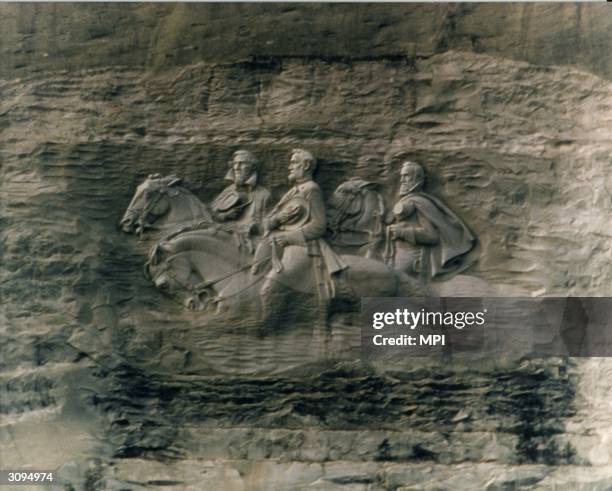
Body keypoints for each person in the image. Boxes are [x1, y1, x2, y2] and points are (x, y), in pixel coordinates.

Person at [252, 149, 346, 319]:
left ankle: (265, 329)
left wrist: (289, 237)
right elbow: (270, 219)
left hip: (303, 247)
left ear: (306, 165)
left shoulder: (312, 190)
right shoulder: (293, 192)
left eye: (294, 162)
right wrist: (277, 219)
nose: (289, 167)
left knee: (268, 291)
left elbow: (319, 226)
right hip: (277, 245)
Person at [385, 161, 476, 283]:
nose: (402, 180)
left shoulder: (421, 202)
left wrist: (402, 232)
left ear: (416, 178)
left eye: (406, 176)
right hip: (397, 255)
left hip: (413, 259)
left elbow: (432, 236)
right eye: (401, 176)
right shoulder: (408, 201)